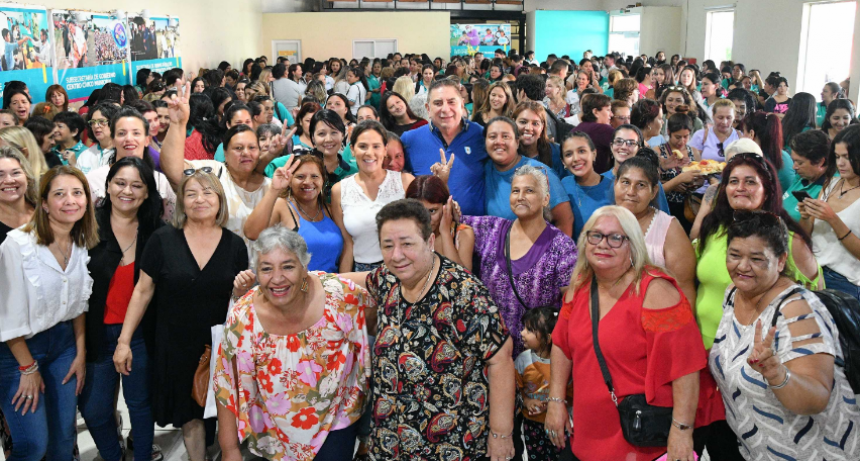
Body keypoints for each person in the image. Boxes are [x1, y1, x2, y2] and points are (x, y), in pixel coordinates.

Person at [545, 205, 704, 461]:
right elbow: (561, 345)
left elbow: (685, 369)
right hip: (585, 433)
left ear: (633, 244)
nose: (603, 244)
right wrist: (555, 400)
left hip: (638, 440)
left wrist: (682, 430)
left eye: (615, 237)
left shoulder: (656, 293)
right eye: (595, 235)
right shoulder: (580, 287)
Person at [364, 199, 515, 460]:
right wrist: (310, 280)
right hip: (391, 437)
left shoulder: (464, 293)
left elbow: (501, 360)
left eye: (407, 244)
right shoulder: (387, 279)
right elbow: (355, 282)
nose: (396, 255)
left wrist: (501, 434)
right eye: (388, 246)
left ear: (430, 242)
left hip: (450, 443)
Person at [113, 169, 248, 461]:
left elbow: (239, 302)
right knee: (190, 416)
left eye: (207, 192)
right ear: (182, 202)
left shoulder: (235, 245)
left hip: (220, 346)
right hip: (175, 345)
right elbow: (142, 291)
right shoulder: (163, 240)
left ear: (219, 200)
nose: (200, 199)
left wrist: (241, 291)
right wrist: (124, 342)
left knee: (223, 412)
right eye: (191, 193)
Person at [709, 210, 860, 458]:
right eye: (734, 255)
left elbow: (816, 398)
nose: (742, 266)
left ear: (781, 261)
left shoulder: (797, 309)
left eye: (757, 259)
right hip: (758, 451)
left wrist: (777, 374)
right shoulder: (733, 294)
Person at [214, 227, 370, 461]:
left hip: (335, 423)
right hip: (273, 433)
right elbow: (225, 382)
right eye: (266, 269)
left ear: (304, 266)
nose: (277, 278)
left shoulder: (335, 294)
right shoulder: (243, 316)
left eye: (288, 266)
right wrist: (229, 449)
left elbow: (386, 286)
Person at [0, 166, 98, 461]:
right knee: (33, 445)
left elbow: (79, 305)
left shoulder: (79, 240)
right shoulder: (17, 245)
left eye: (77, 193)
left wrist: (79, 354)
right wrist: (27, 368)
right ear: (43, 203)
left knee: (64, 439)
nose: (70, 200)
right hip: (17, 352)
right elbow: (5, 317)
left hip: (63, 346)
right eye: (60, 194)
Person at [79, 157, 162, 461]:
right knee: (95, 409)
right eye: (120, 183)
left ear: (146, 192)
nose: (127, 190)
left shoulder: (155, 230)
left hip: (139, 332)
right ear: (108, 186)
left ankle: (141, 455)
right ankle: (113, 456)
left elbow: (151, 288)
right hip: (95, 333)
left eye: (136, 185)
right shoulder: (86, 224)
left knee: (140, 405)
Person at [695, 153, 821, 352]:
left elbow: (815, 297)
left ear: (767, 191)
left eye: (750, 182)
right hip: (702, 345)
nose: (740, 188)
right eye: (733, 181)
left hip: (755, 358)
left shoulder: (789, 240)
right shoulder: (714, 229)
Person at [463, 164, 576, 358]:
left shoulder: (562, 247)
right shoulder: (491, 228)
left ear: (546, 199)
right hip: (490, 355)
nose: (520, 196)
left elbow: (572, 308)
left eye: (529, 190)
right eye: (515, 191)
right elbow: (449, 218)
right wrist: (443, 185)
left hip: (536, 366)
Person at [160, 87, 273, 248]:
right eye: (238, 148)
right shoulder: (213, 173)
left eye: (252, 148)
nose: (246, 153)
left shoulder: (271, 187)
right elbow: (174, 172)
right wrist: (178, 124)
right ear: (224, 152)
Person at [613, 155, 697, 305]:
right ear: (615, 184)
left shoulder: (668, 229)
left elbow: (685, 291)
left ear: (654, 191)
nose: (631, 191)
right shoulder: (602, 222)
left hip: (656, 320)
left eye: (641, 185)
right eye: (625, 182)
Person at [332, 121, 413, 272]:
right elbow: (347, 245)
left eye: (376, 146)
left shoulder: (405, 182)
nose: (369, 152)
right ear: (352, 149)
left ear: (384, 149)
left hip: (403, 270)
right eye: (363, 146)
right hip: (361, 273)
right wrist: (344, 285)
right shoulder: (340, 190)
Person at [402, 79, 488, 216]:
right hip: (429, 230)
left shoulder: (481, 135)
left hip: (475, 228)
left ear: (462, 106)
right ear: (428, 109)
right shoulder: (409, 140)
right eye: (438, 103)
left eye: (451, 102)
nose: (445, 109)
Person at [245, 155, 343, 273]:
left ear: (323, 180)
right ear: (290, 181)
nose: (308, 182)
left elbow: (348, 247)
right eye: (300, 177)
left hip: (331, 286)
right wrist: (274, 190)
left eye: (314, 176)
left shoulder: (330, 210)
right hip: (293, 287)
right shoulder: (282, 205)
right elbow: (251, 233)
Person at [483, 116, 573, 237]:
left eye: (505, 136)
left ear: (517, 142)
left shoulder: (539, 172)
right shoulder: (484, 169)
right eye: (492, 136)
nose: (499, 141)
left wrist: (556, 254)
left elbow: (565, 219)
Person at [799, 124, 860, 300]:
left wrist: (833, 219)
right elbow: (807, 234)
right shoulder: (831, 184)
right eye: (837, 156)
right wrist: (806, 216)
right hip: (813, 272)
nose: (840, 163)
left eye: (847, 157)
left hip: (844, 281)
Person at [86, 107, 178, 222]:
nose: (129, 138)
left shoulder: (160, 180)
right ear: (113, 141)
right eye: (121, 133)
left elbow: (173, 222)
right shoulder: (93, 180)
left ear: (147, 140)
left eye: (136, 133)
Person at [515, 306, 571, 461]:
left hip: (559, 424)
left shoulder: (563, 363)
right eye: (524, 328)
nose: (522, 333)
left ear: (548, 337)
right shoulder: (522, 361)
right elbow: (516, 391)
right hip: (532, 425)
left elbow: (572, 393)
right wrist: (527, 401)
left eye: (530, 330)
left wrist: (555, 404)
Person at [405, 175, 475, 272]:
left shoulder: (463, 234)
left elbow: (462, 281)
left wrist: (445, 233)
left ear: (446, 206)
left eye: (432, 211)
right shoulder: (406, 234)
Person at [604, 125, 671, 213]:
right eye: (619, 141)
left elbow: (663, 220)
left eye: (631, 143)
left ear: (639, 148)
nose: (624, 147)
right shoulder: (599, 181)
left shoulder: (650, 181)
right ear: (611, 146)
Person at [560, 132, 613, 241]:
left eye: (582, 151)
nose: (576, 158)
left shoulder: (613, 189)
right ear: (563, 162)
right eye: (569, 154)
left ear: (594, 154)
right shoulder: (563, 184)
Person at [656, 108, 703, 232]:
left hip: (687, 207)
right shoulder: (658, 151)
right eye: (677, 137)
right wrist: (674, 183)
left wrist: (695, 183)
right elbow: (652, 183)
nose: (682, 141)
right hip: (666, 206)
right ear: (669, 132)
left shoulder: (693, 152)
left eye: (686, 136)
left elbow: (701, 179)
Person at [783, 130, 831, 222]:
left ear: (820, 162)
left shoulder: (831, 189)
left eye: (800, 163)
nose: (794, 167)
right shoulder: (801, 177)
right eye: (794, 161)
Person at [571, 93, 615, 174]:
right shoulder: (604, 130)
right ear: (595, 112)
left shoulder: (574, 130)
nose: (611, 114)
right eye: (608, 110)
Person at [689, 99, 740, 167]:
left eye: (728, 118)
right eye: (720, 117)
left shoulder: (740, 137)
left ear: (734, 117)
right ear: (713, 116)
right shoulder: (700, 136)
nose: (724, 122)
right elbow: (694, 165)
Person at [0, 146, 35, 244]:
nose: (9, 180)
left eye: (16, 173)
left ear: (27, 176)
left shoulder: (46, 211)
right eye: (0, 175)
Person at [76, 102, 118, 174]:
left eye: (101, 121)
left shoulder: (121, 153)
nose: (96, 126)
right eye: (93, 122)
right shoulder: (85, 155)